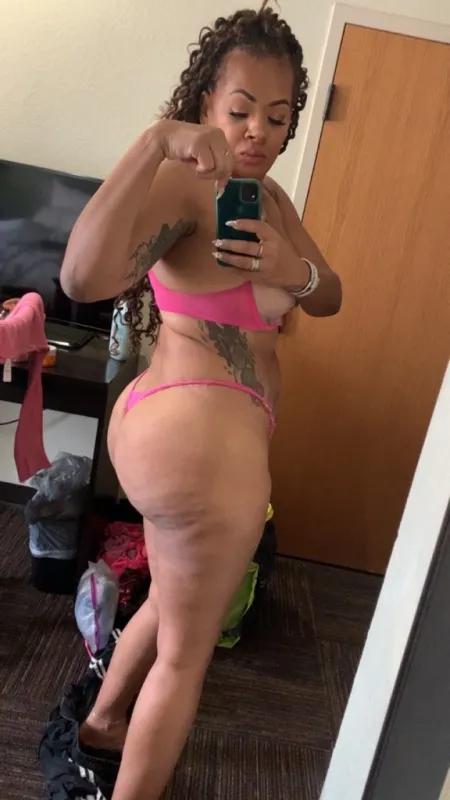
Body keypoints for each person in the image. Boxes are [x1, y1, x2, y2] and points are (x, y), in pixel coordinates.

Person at [60, 3, 342, 798]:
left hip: (173, 438)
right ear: (207, 103)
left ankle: (102, 722)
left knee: (172, 599)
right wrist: (155, 141)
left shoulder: (271, 203)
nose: (259, 132)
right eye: (241, 109)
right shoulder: (188, 184)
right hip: (201, 448)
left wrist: (292, 269)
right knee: (187, 660)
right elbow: (81, 278)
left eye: (278, 117)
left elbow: (330, 296)